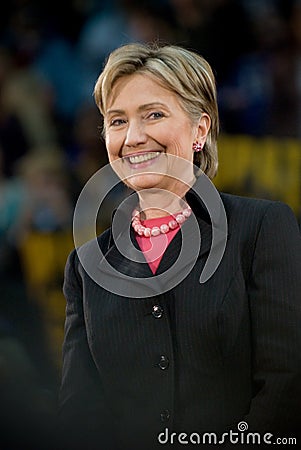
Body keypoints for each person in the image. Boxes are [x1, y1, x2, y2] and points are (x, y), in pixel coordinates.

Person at [58, 42, 301, 450]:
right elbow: (81, 413)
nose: (134, 137)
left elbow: (287, 383)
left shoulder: (261, 228)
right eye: (117, 121)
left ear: (200, 130)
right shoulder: (86, 266)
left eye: (153, 114)